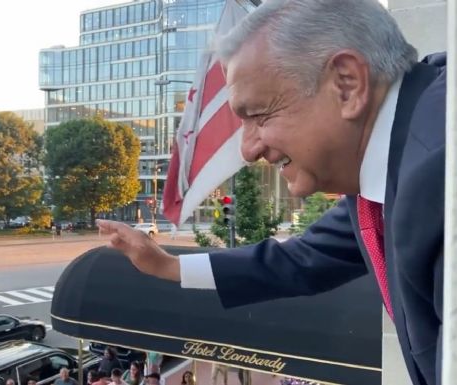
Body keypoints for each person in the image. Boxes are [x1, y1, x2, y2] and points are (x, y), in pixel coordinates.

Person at [96, 1, 446, 385]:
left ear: (347, 84)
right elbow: (302, 260)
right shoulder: (390, 159)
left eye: (259, 115)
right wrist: (169, 266)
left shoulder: (441, 175)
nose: (248, 150)